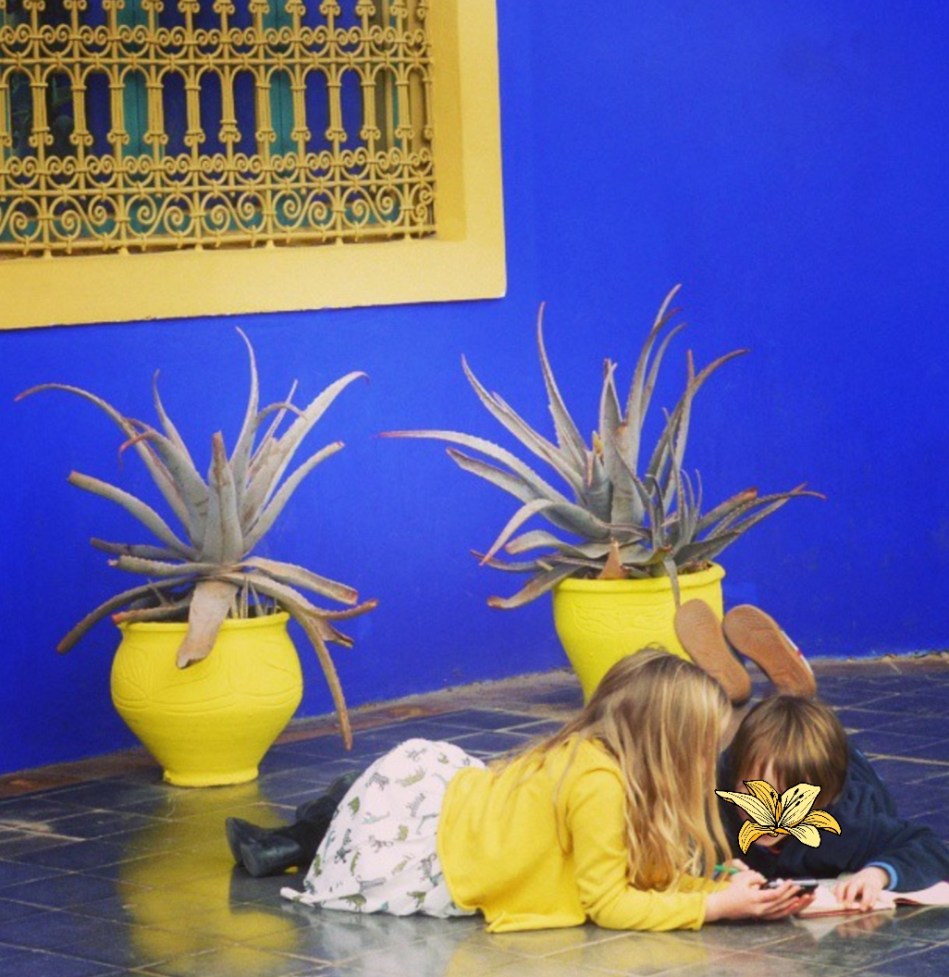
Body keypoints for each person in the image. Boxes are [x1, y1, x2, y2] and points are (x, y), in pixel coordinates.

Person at [228, 648, 816, 932]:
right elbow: (608, 902)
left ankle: (289, 841)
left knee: (352, 794)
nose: (707, 760)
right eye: (701, 747)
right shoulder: (598, 785)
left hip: (460, 806)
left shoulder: (606, 765)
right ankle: (298, 841)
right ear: (665, 746)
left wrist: (713, 880)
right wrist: (713, 908)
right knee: (357, 802)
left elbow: (639, 870)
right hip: (429, 847)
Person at [718, 694, 949, 910]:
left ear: (820, 801)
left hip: (847, 780)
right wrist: (714, 870)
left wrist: (877, 874)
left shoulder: (848, 824)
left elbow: (930, 849)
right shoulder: (717, 801)